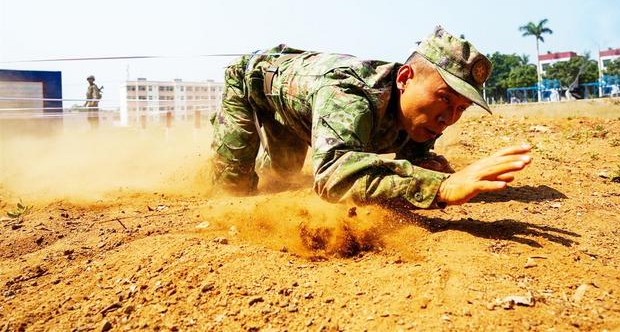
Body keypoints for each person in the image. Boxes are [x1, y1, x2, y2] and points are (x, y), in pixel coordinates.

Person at [211, 26, 532, 208]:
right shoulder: (349, 95)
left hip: (301, 110)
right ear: (405, 78)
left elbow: (412, 156)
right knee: (234, 189)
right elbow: (332, 178)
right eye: (445, 98)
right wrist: (441, 188)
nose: (448, 118)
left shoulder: (421, 114)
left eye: (461, 108)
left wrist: (425, 165)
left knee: (281, 178)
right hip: (252, 85)